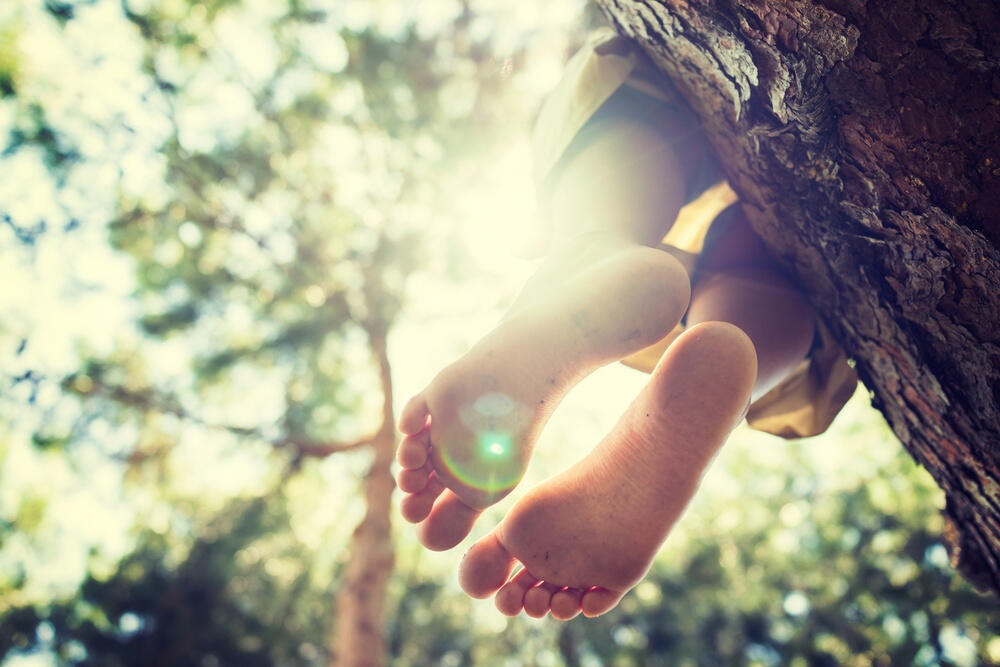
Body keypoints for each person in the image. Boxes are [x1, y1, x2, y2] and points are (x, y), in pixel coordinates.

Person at [394, 29, 857, 620]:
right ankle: (655, 296)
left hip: (675, 94)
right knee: (763, 263)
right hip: (803, 184)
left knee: (624, 154)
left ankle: (628, 271)